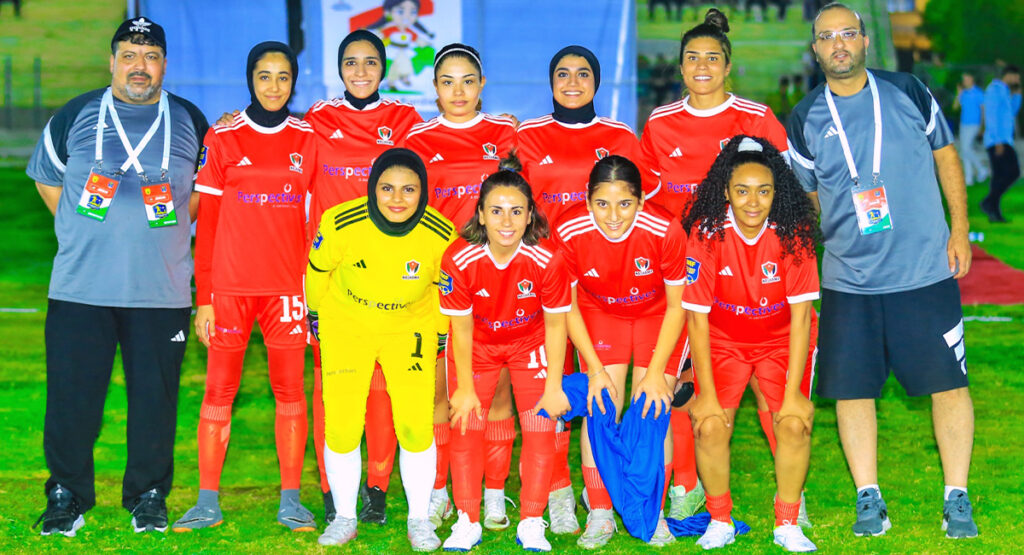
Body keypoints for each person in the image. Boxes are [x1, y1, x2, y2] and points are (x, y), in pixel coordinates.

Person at [787, 2, 977, 539]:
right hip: (849, 280)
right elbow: (807, 198)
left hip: (924, 270)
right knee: (853, 390)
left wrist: (959, 228)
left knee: (949, 384)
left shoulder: (907, 90)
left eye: (848, 33)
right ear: (815, 49)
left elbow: (946, 155)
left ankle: (956, 496)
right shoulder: (805, 117)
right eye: (827, 37)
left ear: (865, 40)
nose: (839, 44)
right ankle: (868, 495)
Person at [26, 17, 207, 536]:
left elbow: (201, 194)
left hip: (161, 290)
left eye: (150, 57)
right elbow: (47, 179)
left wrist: (167, 233)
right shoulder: (76, 114)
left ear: (164, 65)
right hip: (81, 287)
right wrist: (81, 231)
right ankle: (67, 494)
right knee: (72, 398)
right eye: (128, 55)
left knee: (155, 400)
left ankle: (148, 495)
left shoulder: (190, 120)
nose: (139, 66)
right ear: (111, 62)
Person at [639, 8, 793, 522]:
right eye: (692, 58)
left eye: (712, 58)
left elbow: (784, 192)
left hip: (749, 274)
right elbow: (652, 201)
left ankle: (792, 494)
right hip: (684, 274)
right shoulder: (660, 123)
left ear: (728, 66)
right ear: (680, 66)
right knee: (684, 382)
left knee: (772, 386)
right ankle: (686, 485)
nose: (701, 66)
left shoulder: (755, 118)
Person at [170, 41, 316, 533]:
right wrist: (205, 299)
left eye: (283, 76)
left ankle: (291, 501)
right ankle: (206, 502)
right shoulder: (224, 135)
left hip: (287, 291)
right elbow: (207, 224)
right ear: (250, 79)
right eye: (264, 76)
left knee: (290, 392)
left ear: (294, 82)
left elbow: (314, 219)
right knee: (219, 391)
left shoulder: (307, 138)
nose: (274, 86)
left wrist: (312, 289)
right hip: (230, 290)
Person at [516, 43, 657, 535]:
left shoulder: (620, 136)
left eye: (582, 73)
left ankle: (603, 498)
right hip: (541, 282)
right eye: (562, 73)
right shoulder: (526, 135)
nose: (572, 82)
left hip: (602, 288)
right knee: (550, 390)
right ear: (550, 81)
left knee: (602, 394)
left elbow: (641, 207)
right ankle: (558, 493)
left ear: (597, 81)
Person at [304, 29, 423, 525]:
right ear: (339, 68)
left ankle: (377, 485)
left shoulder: (406, 120)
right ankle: (333, 489)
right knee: (331, 386)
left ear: (384, 68)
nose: (360, 71)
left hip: (390, 274)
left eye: (370, 62)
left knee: (383, 387)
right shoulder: (317, 119)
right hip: (333, 277)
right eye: (351, 62)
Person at [307, 148, 453, 550]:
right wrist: (316, 315)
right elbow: (316, 271)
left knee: (415, 426)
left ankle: (419, 520)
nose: (397, 199)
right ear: (373, 188)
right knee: (342, 425)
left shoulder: (441, 233)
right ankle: (344, 518)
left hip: (409, 329)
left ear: (423, 191)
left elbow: (444, 292)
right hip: (347, 326)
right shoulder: (340, 221)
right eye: (387, 188)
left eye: (409, 189)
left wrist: (440, 334)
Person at [682, 136, 819, 552]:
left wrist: (794, 395)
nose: (753, 202)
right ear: (726, 192)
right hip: (723, 340)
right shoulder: (706, 233)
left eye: (764, 191)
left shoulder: (793, 233)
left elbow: (801, 318)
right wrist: (706, 395)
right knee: (708, 425)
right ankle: (719, 519)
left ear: (776, 193)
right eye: (742, 191)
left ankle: (788, 521)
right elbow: (697, 319)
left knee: (793, 423)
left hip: (780, 340)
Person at [403, 42, 517, 528]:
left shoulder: (506, 134)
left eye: (468, 81)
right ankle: (439, 490)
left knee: (499, 393)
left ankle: (494, 492)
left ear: (482, 85)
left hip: (497, 279)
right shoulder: (417, 138)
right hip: (439, 280)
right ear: (434, 88)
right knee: (439, 392)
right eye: (447, 82)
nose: (458, 91)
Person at [553, 155, 687, 549]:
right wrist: (595, 370)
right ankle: (600, 512)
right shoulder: (568, 229)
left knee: (652, 406)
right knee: (600, 403)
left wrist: (655, 374)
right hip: (599, 312)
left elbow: (677, 306)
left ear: (642, 201)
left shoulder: (665, 228)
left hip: (657, 314)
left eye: (625, 203)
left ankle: (653, 512)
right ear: (587, 200)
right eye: (602, 204)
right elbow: (568, 306)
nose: (613, 216)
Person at [440, 154, 572, 552]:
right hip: (477, 345)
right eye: (496, 211)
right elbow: (461, 329)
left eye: (516, 211)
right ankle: (467, 520)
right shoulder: (457, 258)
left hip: (529, 343)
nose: (506, 221)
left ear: (530, 216)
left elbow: (556, 325)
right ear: (480, 215)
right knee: (466, 424)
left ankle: (532, 521)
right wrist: (464, 388)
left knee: (541, 427)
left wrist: (554, 386)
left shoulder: (548, 259)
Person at [981, 65, 1021, 222]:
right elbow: (991, 115)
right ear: (1009, 75)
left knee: (998, 177)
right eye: (1016, 77)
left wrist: (1017, 96)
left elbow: (1011, 113)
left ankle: (994, 212)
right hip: (998, 140)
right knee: (1013, 172)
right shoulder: (994, 90)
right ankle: (988, 202)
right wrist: (997, 141)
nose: (1017, 80)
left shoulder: (1005, 91)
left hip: (1004, 139)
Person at [953, 72, 987, 186]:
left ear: (972, 79)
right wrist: (959, 94)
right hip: (963, 124)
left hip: (974, 124)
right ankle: (969, 178)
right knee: (964, 150)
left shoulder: (978, 92)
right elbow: (955, 107)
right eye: (963, 79)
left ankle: (982, 169)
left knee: (966, 148)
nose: (965, 81)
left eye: (966, 78)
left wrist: (982, 126)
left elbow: (983, 109)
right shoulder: (963, 93)